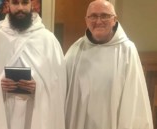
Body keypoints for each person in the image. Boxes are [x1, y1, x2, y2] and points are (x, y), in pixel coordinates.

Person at [65, 0, 153, 129]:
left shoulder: (127, 50)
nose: (99, 21)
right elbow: (59, 82)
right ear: (86, 20)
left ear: (114, 20)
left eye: (105, 16)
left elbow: (134, 99)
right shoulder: (76, 49)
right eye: (93, 16)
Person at [0, 0, 66, 129]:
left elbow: (59, 84)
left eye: (25, 3)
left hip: (35, 111)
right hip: (6, 109)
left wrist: (39, 86)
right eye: (15, 3)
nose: (20, 8)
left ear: (31, 5)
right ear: (8, 6)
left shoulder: (48, 40)